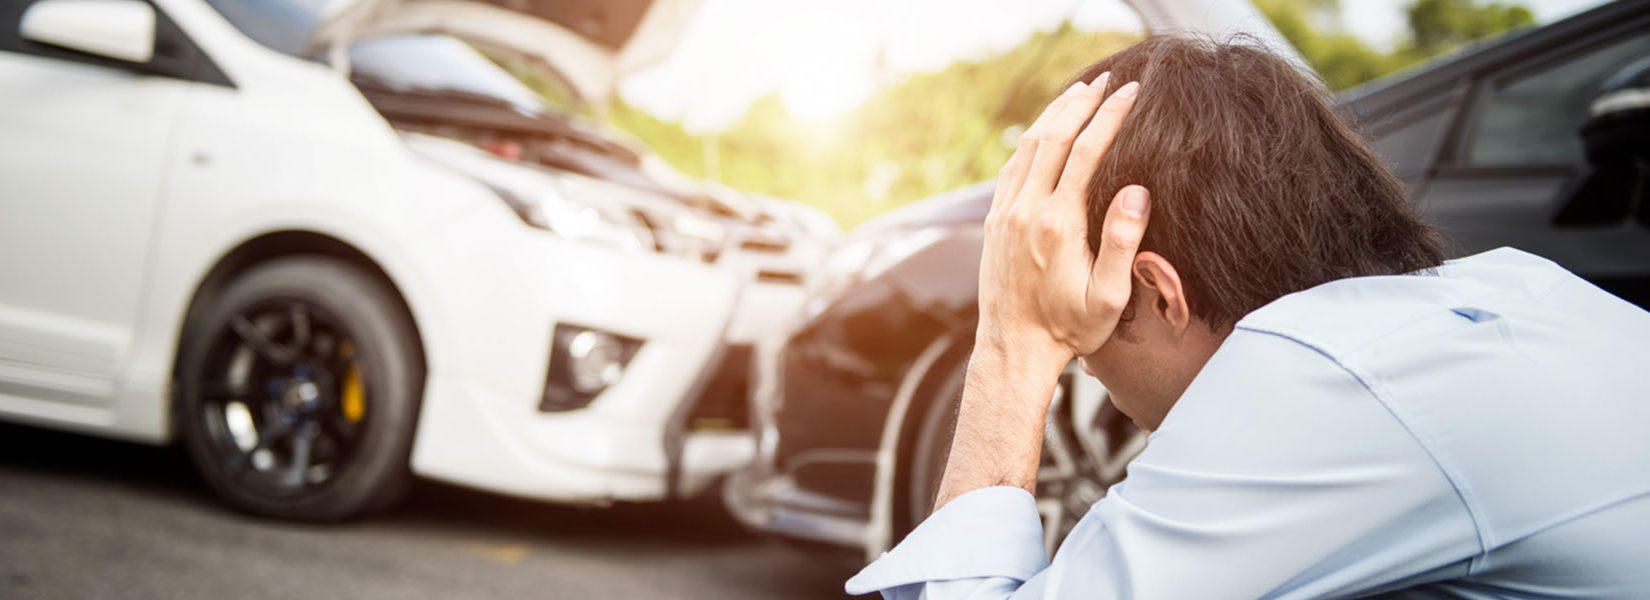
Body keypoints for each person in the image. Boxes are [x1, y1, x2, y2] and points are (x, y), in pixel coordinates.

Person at [845, 35, 1650, 599]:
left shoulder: (1313, 377)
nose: (1088, 367)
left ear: (1158, 290)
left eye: (1085, 342)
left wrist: (1013, 342)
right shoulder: (1524, 286)